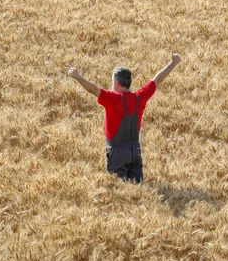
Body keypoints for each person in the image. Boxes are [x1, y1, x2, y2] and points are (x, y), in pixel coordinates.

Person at [67, 52, 181, 182]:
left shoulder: (113, 99)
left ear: (116, 83)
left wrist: (77, 77)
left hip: (117, 152)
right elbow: (157, 79)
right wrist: (174, 62)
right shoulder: (140, 97)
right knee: (137, 190)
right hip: (135, 150)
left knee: (117, 189)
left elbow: (93, 89)